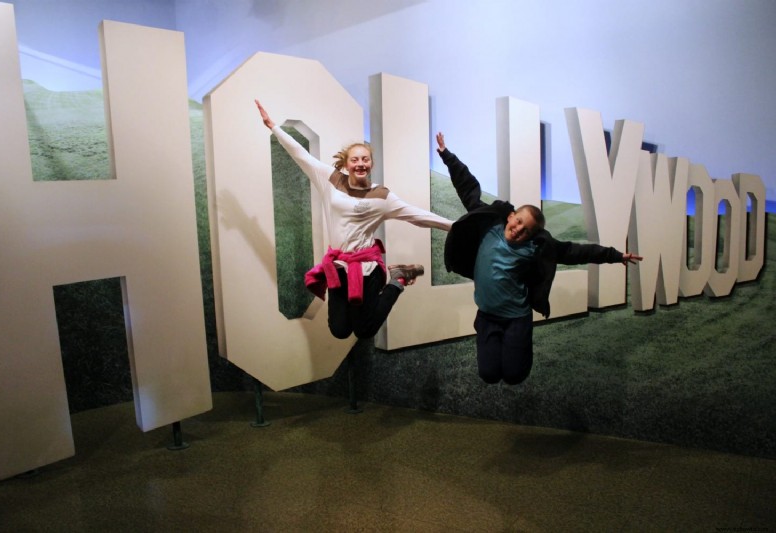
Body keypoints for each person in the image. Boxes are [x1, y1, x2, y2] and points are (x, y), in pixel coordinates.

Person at [435, 132, 642, 385]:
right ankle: (492, 338)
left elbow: (576, 252)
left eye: (527, 230)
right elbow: (467, 187)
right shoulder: (488, 225)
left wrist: (615, 255)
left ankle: (520, 348)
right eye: (519, 222)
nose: (519, 230)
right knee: (488, 374)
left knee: (513, 375)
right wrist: (447, 156)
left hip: (515, 319)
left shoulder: (537, 247)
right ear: (511, 216)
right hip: (488, 315)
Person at [255, 100, 453, 339]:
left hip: (367, 269)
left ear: (371, 164)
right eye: (355, 159)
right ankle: (395, 279)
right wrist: (273, 127)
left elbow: (417, 215)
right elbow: (302, 155)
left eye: (365, 159)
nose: (361, 164)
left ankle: (398, 279)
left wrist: (455, 226)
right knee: (339, 331)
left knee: (365, 330)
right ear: (347, 164)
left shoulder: (381, 196)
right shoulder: (330, 180)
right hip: (338, 267)